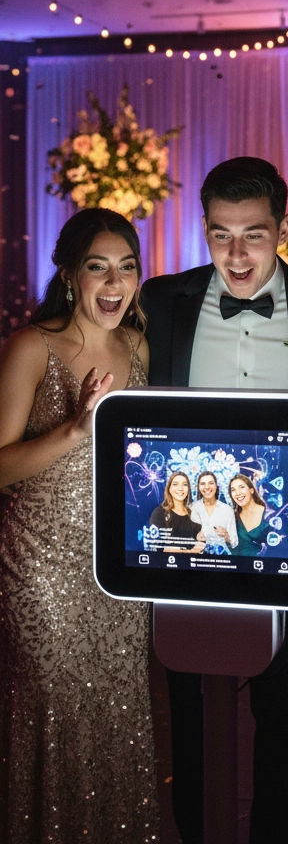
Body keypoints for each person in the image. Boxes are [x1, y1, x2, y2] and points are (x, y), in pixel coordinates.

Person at [140, 156, 288, 844]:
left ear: (282, 229)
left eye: (254, 234)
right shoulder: (162, 298)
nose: (237, 254)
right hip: (189, 549)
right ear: (202, 230)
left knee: (286, 718)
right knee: (191, 713)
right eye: (221, 234)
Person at [0, 207, 159, 842]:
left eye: (127, 267)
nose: (114, 282)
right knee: (56, 713)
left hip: (116, 573)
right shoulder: (31, 346)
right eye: (99, 268)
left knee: (116, 721)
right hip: (40, 572)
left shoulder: (139, 345)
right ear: (71, 276)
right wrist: (74, 429)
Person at [149, 471, 204, 553]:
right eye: (175, 484)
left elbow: (202, 544)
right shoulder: (159, 513)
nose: (180, 488)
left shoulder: (195, 514)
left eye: (185, 485)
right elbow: (157, 547)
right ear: (169, 488)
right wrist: (190, 551)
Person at [192, 469, 238, 552]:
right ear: (198, 487)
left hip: (221, 558)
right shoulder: (192, 508)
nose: (207, 487)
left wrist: (227, 536)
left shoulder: (227, 510)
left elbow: (234, 542)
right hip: (197, 557)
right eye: (203, 484)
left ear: (216, 486)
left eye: (211, 483)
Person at [230, 473, 271, 556]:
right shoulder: (233, 519)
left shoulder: (269, 515)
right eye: (233, 490)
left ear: (251, 490)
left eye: (241, 487)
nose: (237, 493)